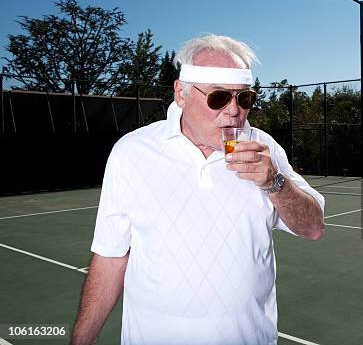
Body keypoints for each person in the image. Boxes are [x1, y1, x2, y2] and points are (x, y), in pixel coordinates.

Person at [71, 34, 325, 345]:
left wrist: (275, 183)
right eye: (219, 97)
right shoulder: (132, 152)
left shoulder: (264, 147)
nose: (234, 111)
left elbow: (313, 227)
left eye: (244, 98)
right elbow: (110, 258)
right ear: (181, 93)